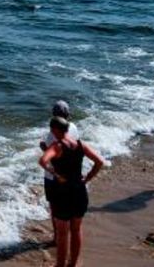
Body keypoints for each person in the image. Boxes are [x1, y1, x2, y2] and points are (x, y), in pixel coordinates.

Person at [39, 116, 104, 267]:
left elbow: (42, 161)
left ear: (55, 130)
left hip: (63, 193)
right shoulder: (81, 145)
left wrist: (55, 174)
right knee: (76, 229)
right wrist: (87, 178)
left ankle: (60, 265)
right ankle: (73, 264)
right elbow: (99, 162)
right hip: (80, 191)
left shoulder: (57, 146)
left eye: (51, 129)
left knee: (62, 234)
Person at [39, 100, 80, 244]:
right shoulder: (74, 127)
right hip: (70, 174)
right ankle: (67, 234)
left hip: (53, 176)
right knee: (67, 205)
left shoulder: (52, 134)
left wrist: (43, 147)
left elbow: (51, 156)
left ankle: (57, 237)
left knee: (54, 206)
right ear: (68, 115)